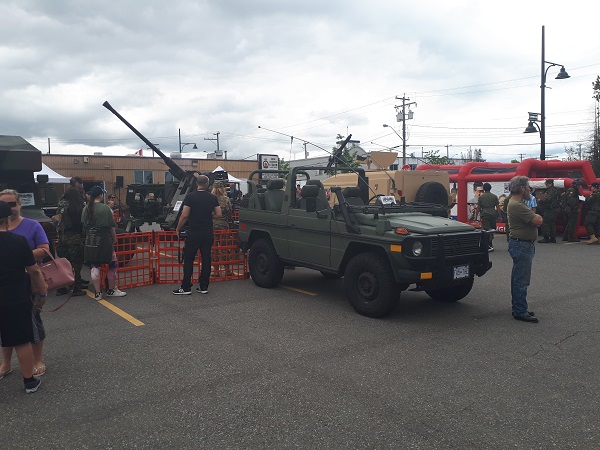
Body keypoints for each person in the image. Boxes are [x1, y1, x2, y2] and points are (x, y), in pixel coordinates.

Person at [0, 189, 50, 377]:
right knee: (4, 325)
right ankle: (6, 363)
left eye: (12, 203)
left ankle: (38, 359)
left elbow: (44, 250)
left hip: (28, 282)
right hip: (5, 285)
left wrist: (19, 255)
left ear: (20, 204)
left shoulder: (32, 225)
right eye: (5, 205)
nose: (10, 208)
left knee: (33, 323)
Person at [173, 174, 221, 295]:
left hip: (194, 233)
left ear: (196, 184)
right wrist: (208, 215)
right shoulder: (212, 197)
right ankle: (204, 286)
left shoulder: (190, 197)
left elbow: (185, 215)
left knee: (188, 259)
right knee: (206, 259)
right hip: (208, 232)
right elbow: (218, 214)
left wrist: (178, 228)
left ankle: (186, 287)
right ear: (207, 184)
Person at [507, 176, 543, 323]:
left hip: (521, 244)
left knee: (518, 278)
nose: (529, 189)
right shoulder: (517, 205)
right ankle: (520, 311)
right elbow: (537, 220)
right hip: (522, 244)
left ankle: (519, 307)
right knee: (521, 280)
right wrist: (537, 217)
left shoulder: (517, 203)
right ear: (521, 188)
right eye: (527, 186)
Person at [82, 186, 126, 300]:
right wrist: (114, 239)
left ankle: (97, 293)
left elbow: (84, 225)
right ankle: (111, 290)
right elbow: (111, 227)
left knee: (95, 266)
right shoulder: (105, 208)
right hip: (104, 240)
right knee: (113, 264)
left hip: (90, 240)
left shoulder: (86, 208)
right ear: (100, 195)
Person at [55, 187, 87, 296]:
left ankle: (62, 287)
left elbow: (57, 219)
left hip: (62, 236)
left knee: (64, 263)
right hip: (75, 237)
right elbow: (83, 223)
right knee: (76, 263)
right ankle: (75, 288)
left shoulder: (61, 204)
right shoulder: (78, 206)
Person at [212, 182, 233, 276]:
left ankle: (216, 271)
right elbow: (230, 212)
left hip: (212, 226)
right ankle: (227, 270)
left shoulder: (210, 198)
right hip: (224, 226)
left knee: (214, 249)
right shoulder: (226, 199)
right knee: (224, 248)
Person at [474, 183, 501, 251]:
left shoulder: (481, 197)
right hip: (493, 214)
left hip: (485, 214)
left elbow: (478, 207)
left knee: (486, 229)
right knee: (492, 228)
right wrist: (500, 216)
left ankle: (489, 244)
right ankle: (490, 243)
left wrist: (476, 216)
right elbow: (498, 207)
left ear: (484, 188)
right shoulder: (494, 196)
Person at [537, 179, 561, 243]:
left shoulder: (551, 190)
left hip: (550, 209)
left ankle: (546, 237)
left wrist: (541, 200)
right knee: (552, 224)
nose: (546, 185)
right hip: (555, 209)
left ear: (549, 184)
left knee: (546, 223)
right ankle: (553, 238)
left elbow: (548, 199)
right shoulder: (556, 190)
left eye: (547, 184)